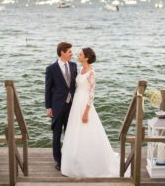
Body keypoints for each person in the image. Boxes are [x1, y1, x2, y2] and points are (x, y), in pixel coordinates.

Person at [61, 47, 127, 177]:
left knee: (86, 131)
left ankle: (91, 162)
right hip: (76, 104)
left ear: (86, 58)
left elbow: (91, 94)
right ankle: (76, 159)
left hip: (84, 104)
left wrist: (86, 112)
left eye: (80, 54)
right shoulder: (81, 70)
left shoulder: (91, 73)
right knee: (75, 131)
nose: (77, 56)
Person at [45, 42, 78, 171]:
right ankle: (58, 160)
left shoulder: (74, 66)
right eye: (69, 51)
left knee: (70, 133)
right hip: (57, 107)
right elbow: (48, 89)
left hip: (72, 106)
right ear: (62, 52)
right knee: (57, 134)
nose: (71, 54)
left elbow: (75, 86)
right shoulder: (51, 69)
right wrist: (48, 107)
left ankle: (69, 158)